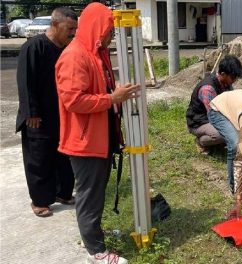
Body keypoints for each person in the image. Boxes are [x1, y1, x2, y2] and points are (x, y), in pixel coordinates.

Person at [55, 3, 139, 263]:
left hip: (99, 138)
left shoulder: (94, 53)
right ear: (95, 26)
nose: (110, 35)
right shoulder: (74, 56)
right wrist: (112, 98)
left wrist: (115, 99)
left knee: (96, 192)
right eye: (108, 29)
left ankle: (94, 234)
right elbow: (74, 100)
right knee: (89, 196)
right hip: (84, 141)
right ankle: (96, 251)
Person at [15, 7, 78, 218]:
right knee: (39, 159)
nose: (72, 33)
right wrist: (30, 112)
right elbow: (25, 82)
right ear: (55, 24)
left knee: (64, 156)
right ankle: (40, 201)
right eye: (69, 28)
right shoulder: (34, 47)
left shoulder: (66, 49)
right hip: (38, 117)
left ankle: (63, 193)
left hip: (62, 113)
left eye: (75, 29)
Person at [186, 55, 242, 155]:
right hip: (199, 122)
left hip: (213, 118)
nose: (234, 80)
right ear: (223, 74)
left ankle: (219, 142)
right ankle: (201, 142)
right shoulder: (208, 89)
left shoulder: (226, 84)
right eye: (233, 77)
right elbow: (214, 116)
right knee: (224, 133)